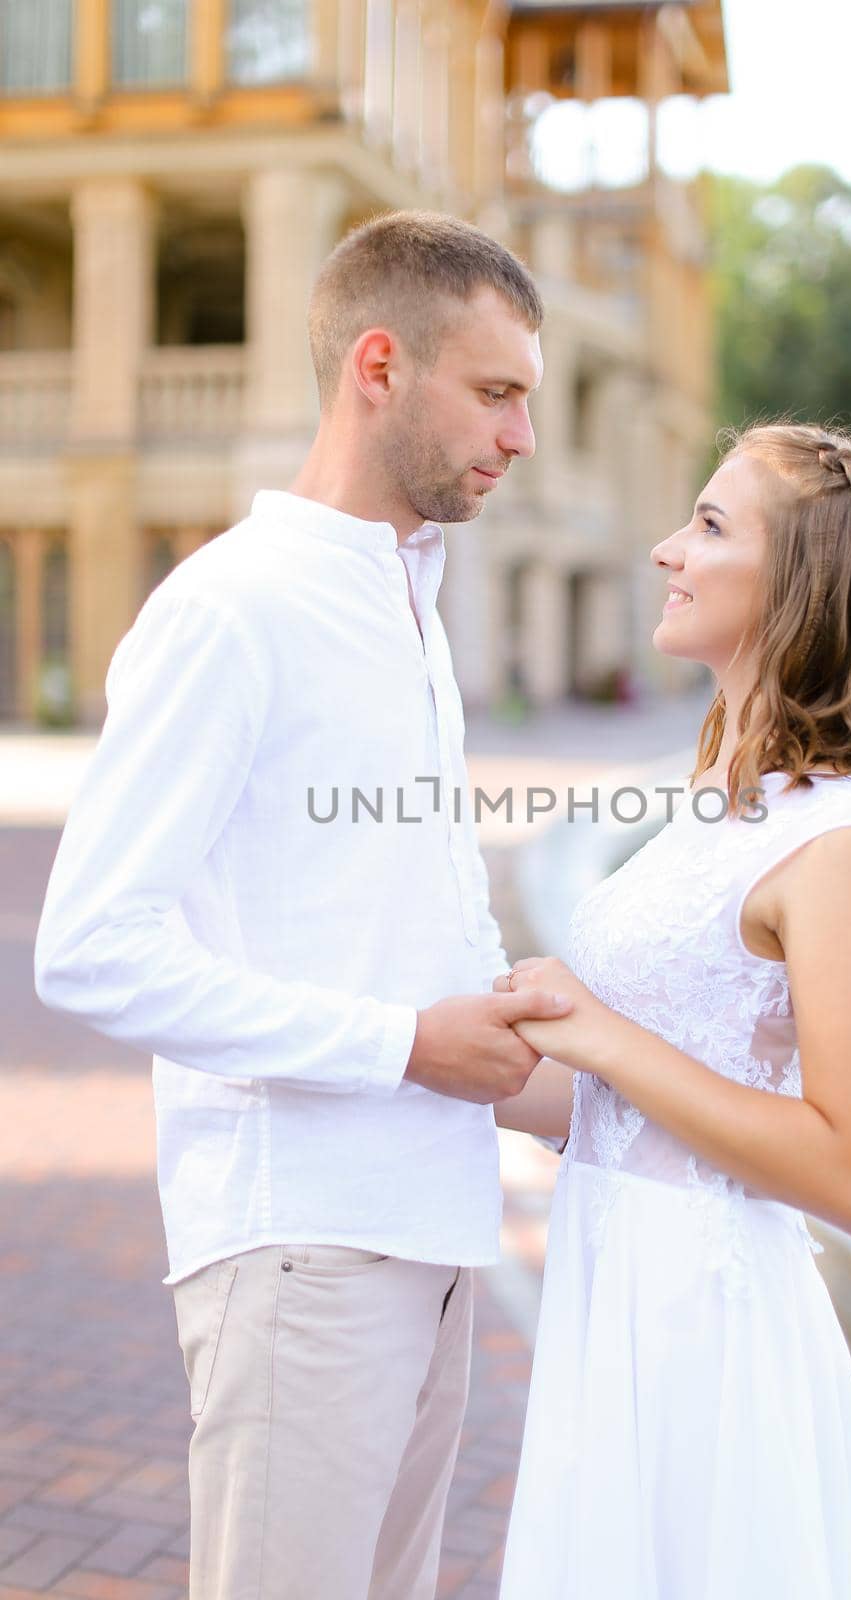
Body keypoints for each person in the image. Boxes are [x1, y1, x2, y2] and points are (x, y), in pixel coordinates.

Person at [33, 210, 575, 1600]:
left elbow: (386, 925)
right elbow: (91, 948)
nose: (521, 436)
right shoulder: (234, 608)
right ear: (378, 366)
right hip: (302, 1255)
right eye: (497, 392)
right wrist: (403, 1043)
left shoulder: (407, 600)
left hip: (432, 1236)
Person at [492, 421, 851, 1598]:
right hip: (605, 1292)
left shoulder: (840, 843)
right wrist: (444, 1054)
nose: (667, 549)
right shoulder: (721, 803)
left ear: (800, 586)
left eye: (709, 526)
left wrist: (599, 1032)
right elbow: (626, 1098)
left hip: (704, 1337)